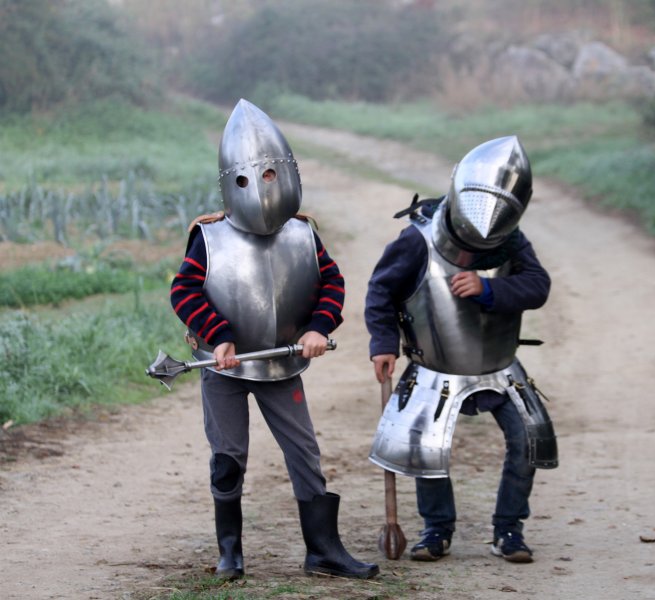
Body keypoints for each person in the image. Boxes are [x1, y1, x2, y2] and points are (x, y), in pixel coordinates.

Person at [169, 99, 378, 580]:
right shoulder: (209, 237)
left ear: (287, 174)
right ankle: (230, 552)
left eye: (270, 174)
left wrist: (319, 327)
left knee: (304, 453)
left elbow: (331, 283)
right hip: (223, 367)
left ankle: (322, 550)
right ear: (230, 183)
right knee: (228, 456)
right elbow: (184, 291)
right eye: (249, 178)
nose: (262, 187)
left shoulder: (303, 234)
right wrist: (218, 335)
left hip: (283, 364)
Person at [365, 136, 557, 564]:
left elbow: (538, 286)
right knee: (427, 448)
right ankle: (437, 530)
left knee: (527, 440)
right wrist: (383, 344)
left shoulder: (512, 242)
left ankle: (509, 530)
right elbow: (381, 291)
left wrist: (488, 288)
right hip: (435, 367)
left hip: (500, 367)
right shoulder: (416, 240)